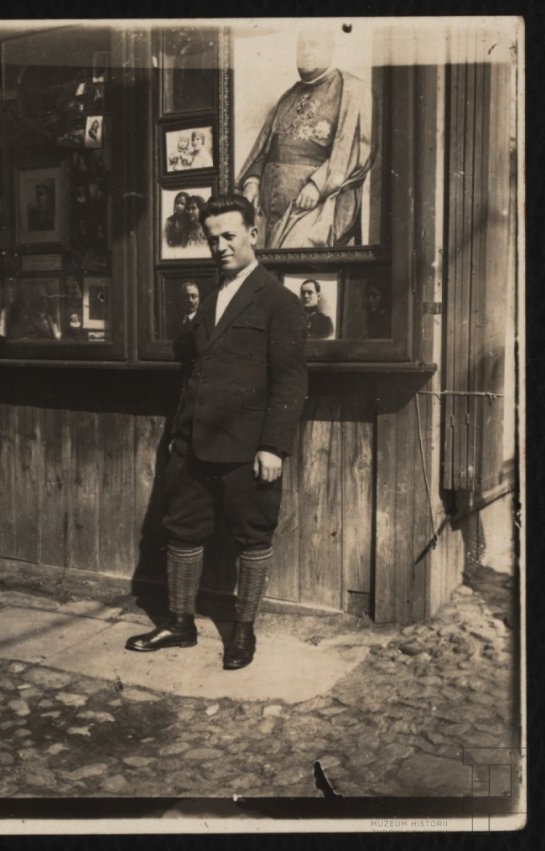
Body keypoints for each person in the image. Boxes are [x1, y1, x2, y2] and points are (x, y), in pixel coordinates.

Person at [126, 194, 308, 670]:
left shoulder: (280, 303)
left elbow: (290, 381)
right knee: (182, 530)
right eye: (212, 239)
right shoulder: (210, 299)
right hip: (193, 445)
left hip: (248, 449)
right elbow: (195, 371)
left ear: (254, 233)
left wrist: (273, 447)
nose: (221, 247)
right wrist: (179, 433)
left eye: (230, 236)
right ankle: (180, 624)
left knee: (253, 536)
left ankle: (243, 631)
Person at [238, 30, 376, 249]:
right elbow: (264, 150)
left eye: (313, 45)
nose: (305, 51)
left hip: (317, 204)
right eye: (301, 46)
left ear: (330, 50)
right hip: (268, 206)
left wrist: (317, 185)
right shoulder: (288, 96)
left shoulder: (352, 90)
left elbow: (355, 152)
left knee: (295, 259)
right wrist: (252, 182)